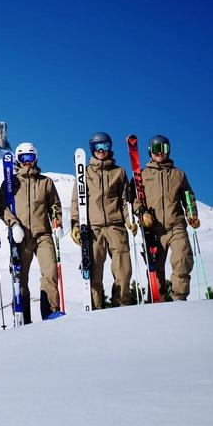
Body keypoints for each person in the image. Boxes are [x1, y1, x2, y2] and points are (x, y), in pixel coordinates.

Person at [0, 142, 63, 322]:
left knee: (50, 273)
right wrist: (14, 224)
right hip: (21, 236)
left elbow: (55, 206)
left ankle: (50, 311)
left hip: (43, 235)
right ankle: (23, 317)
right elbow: (1, 207)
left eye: (30, 158)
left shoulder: (45, 182)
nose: (27, 162)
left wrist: (57, 224)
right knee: (20, 277)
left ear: (36, 158)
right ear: (18, 160)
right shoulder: (11, 182)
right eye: (23, 158)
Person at [70, 132, 136, 308]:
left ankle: (121, 306)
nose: (101, 150)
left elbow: (125, 201)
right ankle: (96, 309)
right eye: (98, 147)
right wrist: (76, 226)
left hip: (116, 227)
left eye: (105, 146)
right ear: (92, 149)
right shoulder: (84, 173)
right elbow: (77, 202)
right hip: (93, 229)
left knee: (123, 271)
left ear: (110, 148)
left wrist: (130, 220)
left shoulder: (119, 172)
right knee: (94, 273)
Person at [133, 135, 199, 301]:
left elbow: (188, 197)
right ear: (150, 151)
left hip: (176, 225)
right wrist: (142, 214)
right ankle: (159, 300)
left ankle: (179, 297)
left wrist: (192, 216)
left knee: (182, 257)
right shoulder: (142, 175)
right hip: (154, 229)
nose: (160, 153)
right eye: (156, 149)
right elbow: (134, 199)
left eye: (164, 149)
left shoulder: (179, 175)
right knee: (156, 269)